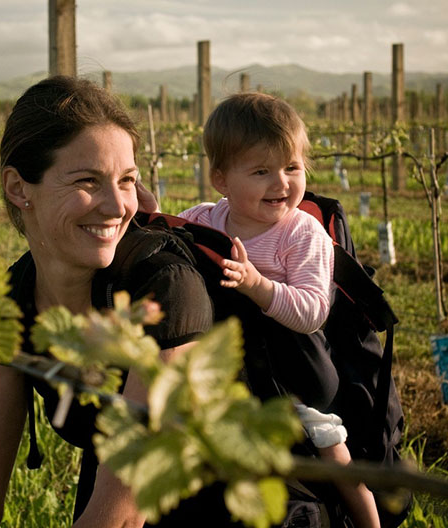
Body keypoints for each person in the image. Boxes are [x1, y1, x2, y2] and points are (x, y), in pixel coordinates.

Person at [0, 76, 214, 528]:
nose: (118, 205)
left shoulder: (165, 289)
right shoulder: (9, 301)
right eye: (88, 181)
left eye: (127, 181)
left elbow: (118, 518)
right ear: (19, 189)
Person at [165, 92, 380, 528]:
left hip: (296, 378)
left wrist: (259, 286)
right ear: (221, 179)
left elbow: (313, 311)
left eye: (291, 168)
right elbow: (170, 234)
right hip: (236, 375)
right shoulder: (209, 219)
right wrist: (149, 212)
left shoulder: (302, 234)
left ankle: (369, 520)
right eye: (261, 171)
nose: (281, 183)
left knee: (334, 452)